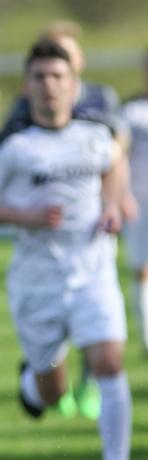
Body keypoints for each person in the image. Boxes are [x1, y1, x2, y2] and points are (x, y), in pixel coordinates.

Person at [0, 40, 139, 460]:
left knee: (109, 363)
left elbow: (115, 163)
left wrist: (112, 205)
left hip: (93, 273)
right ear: (27, 86)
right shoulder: (10, 145)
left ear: (74, 85)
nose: (50, 86)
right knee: (52, 392)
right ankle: (31, 384)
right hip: (37, 282)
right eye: (40, 77)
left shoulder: (95, 133)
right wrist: (26, 216)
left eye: (58, 77)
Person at [3, 21, 137, 420]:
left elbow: (119, 147)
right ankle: (42, 374)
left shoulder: (100, 96)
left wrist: (116, 198)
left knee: (100, 327)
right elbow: (7, 152)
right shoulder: (26, 104)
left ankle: (89, 382)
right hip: (45, 236)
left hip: (92, 227)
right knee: (59, 339)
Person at [119, 50, 148, 356]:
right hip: (141, 201)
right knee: (143, 269)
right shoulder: (131, 111)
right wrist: (122, 195)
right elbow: (120, 156)